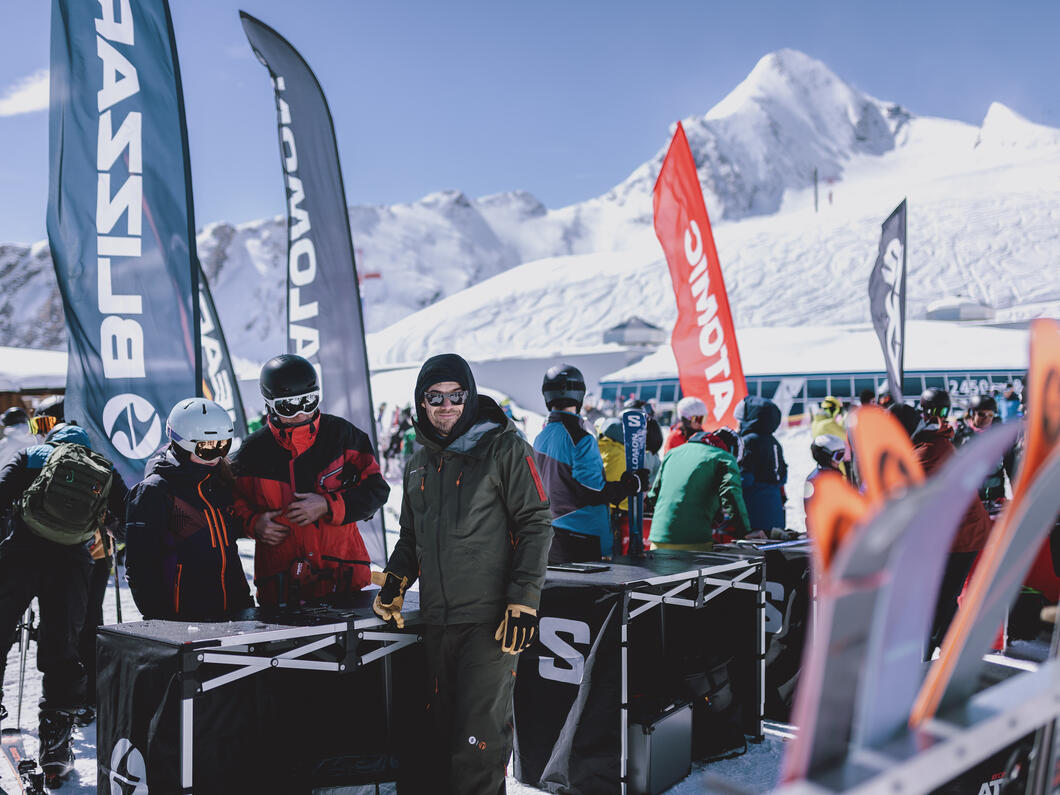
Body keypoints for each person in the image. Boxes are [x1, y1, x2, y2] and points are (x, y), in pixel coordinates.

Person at [372, 353, 553, 795]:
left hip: (491, 622)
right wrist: (396, 580)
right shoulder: (418, 461)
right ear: (421, 402)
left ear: (469, 398)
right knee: (439, 738)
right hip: (438, 621)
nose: (446, 405)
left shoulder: (504, 448)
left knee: (478, 742)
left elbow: (536, 522)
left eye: (456, 396)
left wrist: (524, 598)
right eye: (435, 397)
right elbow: (412, 536)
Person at [0, 423, 128, 781]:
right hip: (72, 565)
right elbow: (127, 512)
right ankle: (55, 748)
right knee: (63, 650)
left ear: (51, 441)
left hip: (19, 557)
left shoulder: (28, 457)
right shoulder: (101, 466)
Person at [232, 354, 389, 607]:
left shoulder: (343, 436)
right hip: (282, 585)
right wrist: (253, 523)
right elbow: (227, 507)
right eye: (288, 406)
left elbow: (377, 491)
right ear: (269, 404)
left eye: (308, 401)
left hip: (344, 579)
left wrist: (329, 505)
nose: (301, 413)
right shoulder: (253, 451)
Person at [125, 398, 252, 620]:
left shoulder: (217, 482)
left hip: (233, 608)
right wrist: (160, 620)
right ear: (182, 443)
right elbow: (140, 568)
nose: (217, 455)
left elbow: (228, 546)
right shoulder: (155, 491)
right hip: (184, 617)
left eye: (224, 445)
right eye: (207, 448)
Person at [891, 389, 992, 657]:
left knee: (941, 598)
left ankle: (925, 657)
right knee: (939, 596)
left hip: (963, 534)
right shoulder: (925, 442)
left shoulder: (929, 449)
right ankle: (957, 650)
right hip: (947, 533)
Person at [532, 364, 647, 563]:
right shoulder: (581, 439)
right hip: (583, 539)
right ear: (580, 395)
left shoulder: (540, 437)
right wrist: (630, 485)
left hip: (552, 535)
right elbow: (594, 492)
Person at [647, 429, 750, 551]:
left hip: (658, 540)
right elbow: (731, 494)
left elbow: (653, 497)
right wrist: (745, 532)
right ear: (732, 451)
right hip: (694, 542)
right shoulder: (724, 457)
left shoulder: (672, 454)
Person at [952, 394, 1017, 515]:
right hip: (970, 501)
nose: (986, 419)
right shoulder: (960, 437)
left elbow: (1012, 469)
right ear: (972, 413)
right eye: (981, 414)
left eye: (990, 415)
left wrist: (1019, 497)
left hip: (995, 498)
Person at [735, 396, 789, 533]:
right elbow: (782, 477)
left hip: (754, 511)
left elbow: (745, 479)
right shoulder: (775, 443)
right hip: (775, 510)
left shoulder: (747, 442)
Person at [804, 434, 846, 513]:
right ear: (825, 457)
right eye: (839, 456)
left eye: (843, 454)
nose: (841, 460)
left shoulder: (836, 474)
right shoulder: (816, 480)